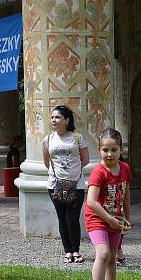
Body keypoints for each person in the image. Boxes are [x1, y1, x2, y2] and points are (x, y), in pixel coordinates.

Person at [85, 128, 131, 280]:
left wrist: (126, 217)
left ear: (121, 150)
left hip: (116, 219)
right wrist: (110, 219)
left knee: (112, 257)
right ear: (99, 150)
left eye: (114, 150)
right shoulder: (99, 172)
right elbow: (91, 201)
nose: (109, 154)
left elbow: (126, 194)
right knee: (103, 253)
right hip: (97, 219)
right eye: (105, 150)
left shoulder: (125, 169)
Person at [43, 105, 89, 264]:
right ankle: (67, 251)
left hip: (76, 185)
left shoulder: (77, 137)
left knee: (73, 219)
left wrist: (72, 174)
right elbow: (46, 162)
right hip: (55, 185)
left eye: (57, 117)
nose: (54, 120)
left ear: (66, 120)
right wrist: (59, 175)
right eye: (52, 117)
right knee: (62, 219)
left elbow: (85, 160)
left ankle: (76, 250)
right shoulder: (48, 139)